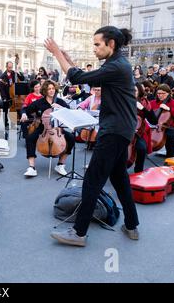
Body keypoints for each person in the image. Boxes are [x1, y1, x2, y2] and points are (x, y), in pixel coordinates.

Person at [45, 26, 140, 246]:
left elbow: (77, 77)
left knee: (92, 181)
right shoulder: (116, 65)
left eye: (97, 44)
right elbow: (85, 77)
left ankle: (78, 233)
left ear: (111, 44)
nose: (94, 49)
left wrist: (57, 53)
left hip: (113, 131)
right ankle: (132, 225)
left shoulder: (116, 66)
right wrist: (67, 60)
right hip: (121, 130)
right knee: (119, 180)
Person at [19, 80, 75, 177]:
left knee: (71, 138)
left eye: (53, 88)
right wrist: (24, 114)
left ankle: (61, 164)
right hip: (43, 128)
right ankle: (31, 167)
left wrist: (60, 108)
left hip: (58, 129)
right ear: (45, 90)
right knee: (30, 138)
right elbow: (25, 109)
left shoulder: (60, 101)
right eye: (49, 89)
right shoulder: (39, 102)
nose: (51, 91)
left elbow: (69, 113)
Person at [149, 83, 174, 157]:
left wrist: (169, 109)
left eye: (163, 93)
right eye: (158, 93)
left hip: (171, 127)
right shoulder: (153, 103)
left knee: (171, 139)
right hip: (156, 126)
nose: (160, 95)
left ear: (168, 93)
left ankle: (170, 158)